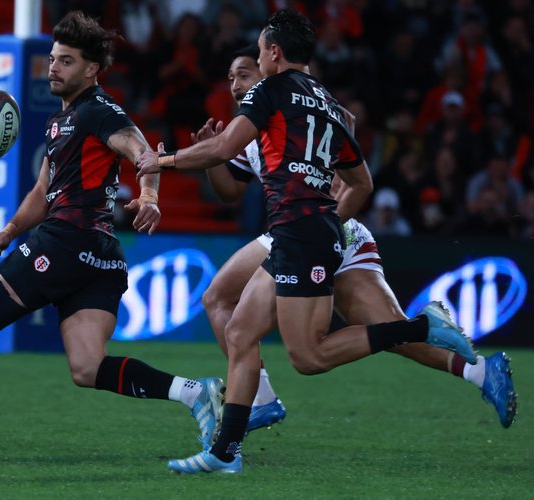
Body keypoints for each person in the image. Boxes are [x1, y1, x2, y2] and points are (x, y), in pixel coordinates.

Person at [0, 11, 225, 461]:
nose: (53, 67)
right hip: (99, 258)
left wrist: (149, 195)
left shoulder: (98, 111)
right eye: (52, 59)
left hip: (64, 242)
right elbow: (41, 191)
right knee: (87, 367)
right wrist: (10, 229)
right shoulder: (60, 121)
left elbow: (142, 152)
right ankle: (194, 393)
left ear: (91, 69)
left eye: (66, 61)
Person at [136, 9, 479, 474]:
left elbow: (222, 147)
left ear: (274, 53)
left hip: (300, 229)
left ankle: (421, 327)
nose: (257, 62)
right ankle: (225, 453)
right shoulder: (329, 104)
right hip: (300, 229)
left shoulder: (269, 90)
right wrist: (325, 219)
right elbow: (361, 182)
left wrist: (164, 161)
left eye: (260, 52)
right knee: (239, 331)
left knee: (309, 356)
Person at [196, 46, 517, 438]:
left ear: (267, 73)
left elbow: (351, 162)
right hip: (310, 232)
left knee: (229, 303)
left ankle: (260, 400)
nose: (235, 84)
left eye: (244, 74)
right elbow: (230, 191)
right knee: (390, 332)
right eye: (231, 77)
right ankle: (481, 372)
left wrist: (325, 220)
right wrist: (213, 159)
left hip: (322, 230)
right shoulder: (248, 132)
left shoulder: (301, 110)